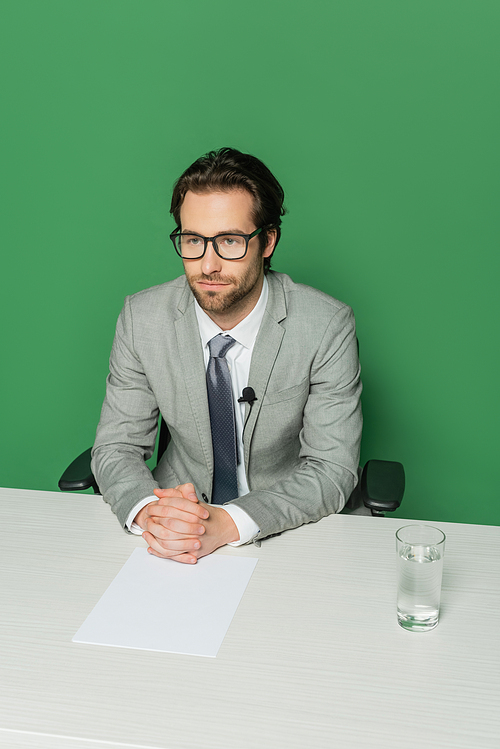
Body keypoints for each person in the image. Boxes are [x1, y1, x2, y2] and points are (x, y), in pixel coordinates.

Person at [91, 147, 362, 564]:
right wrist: (151, 512)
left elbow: (331, 469)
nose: (209, 264)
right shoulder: (141, 319)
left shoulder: (326, 325)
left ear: (267, 240)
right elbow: (115, 447)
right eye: (193, 241)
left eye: (230, 241)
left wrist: (228, 522)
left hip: (283, 529)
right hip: (171, 529)